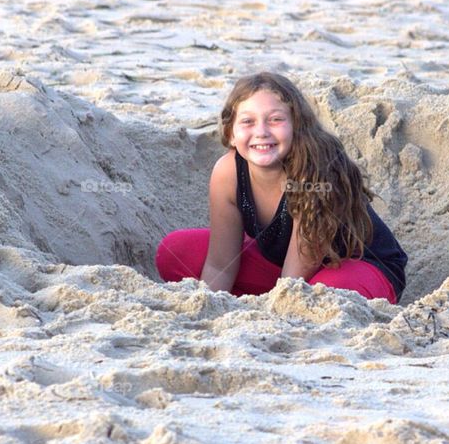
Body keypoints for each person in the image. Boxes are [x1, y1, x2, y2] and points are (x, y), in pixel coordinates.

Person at [155, 72, 408, 304]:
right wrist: (209, 306)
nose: (261, 132)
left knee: (323, 295)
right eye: (248, 121)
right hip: (281, 266)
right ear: (231, 133)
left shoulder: (315, 169)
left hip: (356, 266)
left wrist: (277, 309)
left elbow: (295, 279)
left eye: (275, 119)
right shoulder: (227, 171)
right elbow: (221, 263)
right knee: (175, 251)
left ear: (297, 126)